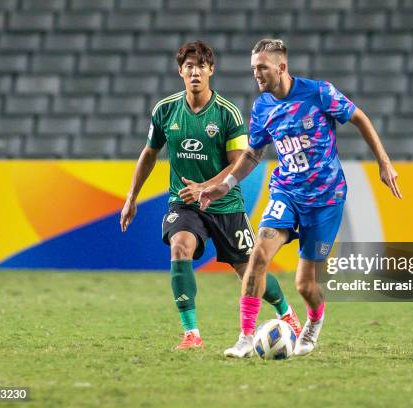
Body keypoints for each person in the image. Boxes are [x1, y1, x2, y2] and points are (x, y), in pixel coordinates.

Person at [199, 39, 402, 358]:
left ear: (281, 67)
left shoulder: (319, 93)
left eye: (262, 68)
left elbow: (359, 117)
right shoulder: (263, 106)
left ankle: (314, 322)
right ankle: (245, 337)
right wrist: (225, 184)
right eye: (253, 69)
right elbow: (253, 152)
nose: (257, 74)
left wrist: (384, 161)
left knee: (305, 285)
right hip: (286, 192)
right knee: (258, 257)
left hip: (325, 198)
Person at [120, 41, 301, 351]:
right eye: (189, 66)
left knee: (249, 270)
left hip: (225, 204)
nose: (195, 72)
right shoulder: (165, 111)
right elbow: (149, 154)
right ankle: (192, 333)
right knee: (180, 247)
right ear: (180, 71)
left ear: (210, 71)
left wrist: (205, 188)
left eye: (200, 66)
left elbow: (237, 164)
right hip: (185, 202)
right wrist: (131, 196)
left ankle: (286, 312)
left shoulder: (227, 113)